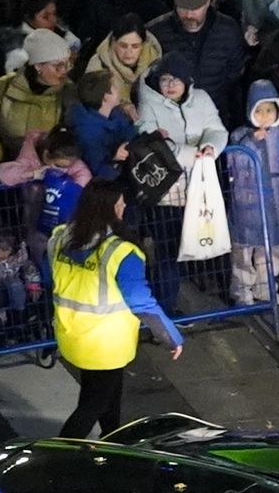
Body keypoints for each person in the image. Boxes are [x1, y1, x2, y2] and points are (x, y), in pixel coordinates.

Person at [48, 181, 184, 439]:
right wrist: (170, 337)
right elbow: (141, 302)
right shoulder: (120, 252)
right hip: (106, 341)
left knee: (103, 394)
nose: (123, 207)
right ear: (110, 209)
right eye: (120, 204)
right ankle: (58, 457)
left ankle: (114, 438)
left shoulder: (60, 237)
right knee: (93, 404)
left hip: (72, 334)